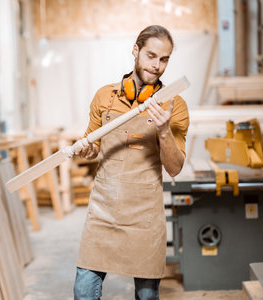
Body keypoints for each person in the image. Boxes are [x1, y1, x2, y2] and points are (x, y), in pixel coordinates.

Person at [73, 25, 189, 300]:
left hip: (144, 215)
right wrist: (86, 150)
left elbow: (174, 167)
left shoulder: (175, 106)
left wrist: (163, 130)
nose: (157, 65)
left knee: (147, 296)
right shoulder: (105, 97)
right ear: (136, 51)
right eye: (151, 56)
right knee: (83, 292)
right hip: (103, 209)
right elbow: (94, 147)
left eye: (164, 59)